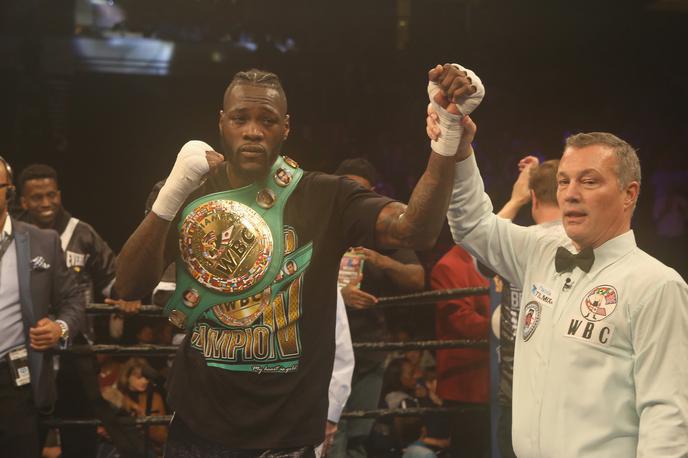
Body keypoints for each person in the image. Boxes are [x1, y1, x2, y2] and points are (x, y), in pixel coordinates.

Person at [114, 64, 484, 456]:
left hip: (285, 438)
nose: (253, 130)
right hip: (197, 429)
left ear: (285, 127)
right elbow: (129, 286)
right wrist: (171, 193)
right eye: (240, 118)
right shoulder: (192, 189)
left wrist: (446, 135)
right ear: (222, 123)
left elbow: (416, 231)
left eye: (267, 120)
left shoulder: (324, 197)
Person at [434, 99, 688, 455]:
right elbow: (471, 225)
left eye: (589, 181)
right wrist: (460, 151)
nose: (570, 194)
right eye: (564, 181)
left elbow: (667, 413)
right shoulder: (538, 251)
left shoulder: (657, 285)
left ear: (629, 194)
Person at [16, 163, 142, 457]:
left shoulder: (81, 233)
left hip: (75, 346)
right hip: (25, 349)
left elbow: (112, 280)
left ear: (59, 194)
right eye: (37, 198)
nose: (46, 203)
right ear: (23, 201)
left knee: (80, 430)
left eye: (51, 195)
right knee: (25, 431)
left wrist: (126, 297)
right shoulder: (12, 235)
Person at [330, 158, 425, 458]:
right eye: (347, 191)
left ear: (372, 195)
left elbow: (416, 278)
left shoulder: (383, 229)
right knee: (330, 432)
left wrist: (379, 259)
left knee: (359, 436)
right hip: (325, 350)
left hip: (369, 350)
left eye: (361, 193)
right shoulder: (318, 225)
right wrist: (337, 296)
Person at [0, 155, 84, 458]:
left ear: (8, 191)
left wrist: (59, 327)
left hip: (15, 382)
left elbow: (73, 299)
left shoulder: (42, 241)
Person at [488, 156, 564, 458]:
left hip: (518, 388)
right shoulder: (588, 244)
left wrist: (514, 200)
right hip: (568, 387)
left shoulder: (521, 242)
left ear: (533, 196)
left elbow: (477, 241)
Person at [430, 244, 490, 458]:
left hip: (493, 377)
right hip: (467, 381)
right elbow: (461, 321)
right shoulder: (449, 266)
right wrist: (503, 325)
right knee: (470, 448)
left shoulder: (490, 259)